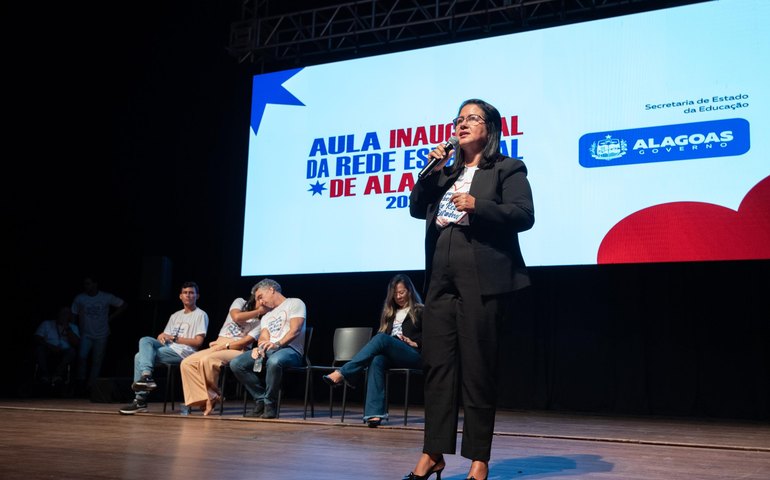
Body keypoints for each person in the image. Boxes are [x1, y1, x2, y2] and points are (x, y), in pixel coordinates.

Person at [405, 98, 535, 480]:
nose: (462, 124)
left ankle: (478, 460)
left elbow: (524, 215)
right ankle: (433, 453)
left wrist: (479, 205)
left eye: (472, 118)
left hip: (482, 275)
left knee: (478, 369)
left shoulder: (507, 169)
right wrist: (432, 171)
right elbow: (416, 208)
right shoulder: (444, 173)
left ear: (490, 128)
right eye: (459, 119)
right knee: (438, 369)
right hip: (440, 277)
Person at [321, 274, 424, 427]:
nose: (398, 296)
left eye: (401, 292)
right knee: (376, 360)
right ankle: (374, 413)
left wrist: (415, 343)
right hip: (393, 354)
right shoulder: (389, 313)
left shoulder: (421, 311)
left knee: (381, 338)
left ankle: (344, 372)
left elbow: (434, 337)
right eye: (395, 294)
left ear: (409, 291)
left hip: (414, 354)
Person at [119, 281, 209, 415]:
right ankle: (146, 378)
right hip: (168, 348)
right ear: (180, 296)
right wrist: (162, 336)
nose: (188, 295)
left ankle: (140, 400)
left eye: (191, 293)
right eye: (185, 293)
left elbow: (198, 342)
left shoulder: (201, 315)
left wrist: (174, 338)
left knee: (139, 357)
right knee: (145, 341)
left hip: (183, 353)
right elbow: (164, 338)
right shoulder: (175, 315)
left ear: (197, 296)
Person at [179, 285, 270, 415]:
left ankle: (211, 397)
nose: (264, 302)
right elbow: (236, 317)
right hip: (219, 343)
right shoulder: (240, 302)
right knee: (187, 363)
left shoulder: (262, 321)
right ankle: (209, 396)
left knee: (208, 360)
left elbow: (246, 341)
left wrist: (226, 346)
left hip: (237, 349)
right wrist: (258, 311)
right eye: (261, 298)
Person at [230, 278, 306, 420]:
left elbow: (295, 330)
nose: (260, 302)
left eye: (260, 297)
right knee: (237, 364)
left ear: (271, 289)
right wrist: (260, 347)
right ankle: (260, 400)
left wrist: (278, 344)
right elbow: (264, 336)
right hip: (270, 351)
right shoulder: (267, 316)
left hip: (290, 351)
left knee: (274, 361)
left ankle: (270, 405)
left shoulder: (295, 303)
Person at [71, 276, 128, 391]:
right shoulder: (80, 298)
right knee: (82, 357)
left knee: (97, 361)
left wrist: (111, 317)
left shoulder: (105, 297)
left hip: (101, 334)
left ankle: (91, 385)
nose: (86, 286)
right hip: (85, 334)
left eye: (88, 283)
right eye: (85, 284)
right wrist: (74, 330)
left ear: (95, 284)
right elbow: (73, 313)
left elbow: (123, 304)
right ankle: (80, 381)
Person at [34, 306, 80, 386]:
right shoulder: (47, 324)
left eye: (67, 313)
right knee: (39, 349)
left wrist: (67, 328)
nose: (64, 315)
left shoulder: (73, 327)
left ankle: (57, 375)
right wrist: (50, 346)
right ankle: (45, 375)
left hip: (64, 350)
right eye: (63, 313)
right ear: (58, 314)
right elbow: (37, 338)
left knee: (72, 351)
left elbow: (76, 343)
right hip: (48, 348)